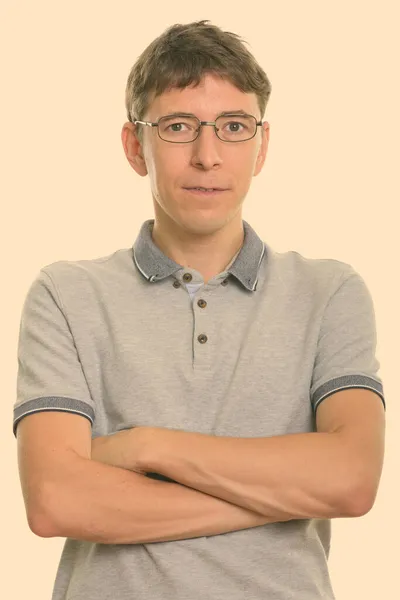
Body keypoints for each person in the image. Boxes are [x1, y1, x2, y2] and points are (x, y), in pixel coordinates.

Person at [14, 20, 386, 600]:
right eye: (178, 126)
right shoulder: (66, 294)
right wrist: (281, 493)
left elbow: (352, 480)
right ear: (135, 146)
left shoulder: (329, 291)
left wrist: (144, 447)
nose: (207, 155)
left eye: (234, 127)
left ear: (262, 146)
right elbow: (57, 500)